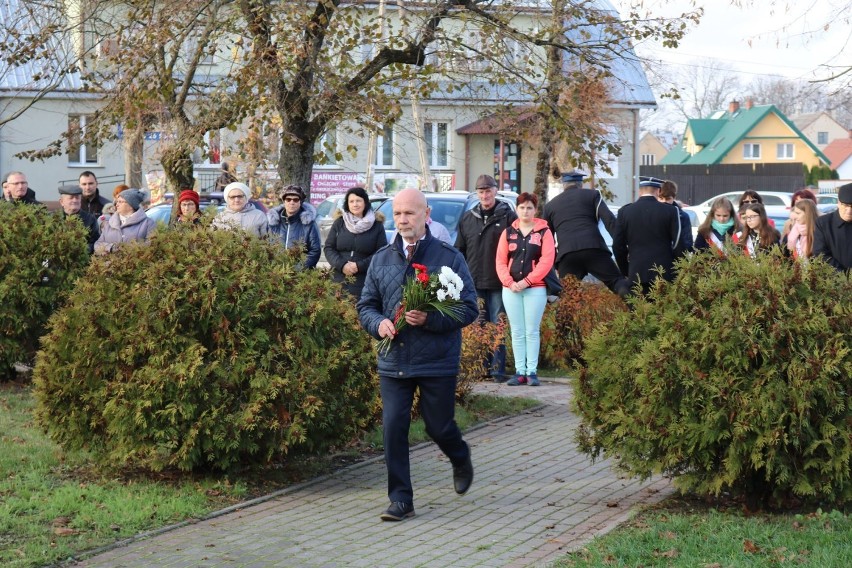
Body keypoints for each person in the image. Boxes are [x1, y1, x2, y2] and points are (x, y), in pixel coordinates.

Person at [357, 188, 479, 522]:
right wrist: (378, 323)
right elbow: (365, 305)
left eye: (409, 213)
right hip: (394, 360)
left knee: (438, 427)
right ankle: (401, 499)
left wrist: (431, 319)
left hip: (437, 359)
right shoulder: (382, 258)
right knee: (393, 428)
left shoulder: (448, 257)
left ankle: (459, 455)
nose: (403, 220)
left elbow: (469, 309)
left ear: (426, 215)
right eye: (397, 213)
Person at [455, 174, 517, 382]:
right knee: (478, 325)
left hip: (500, 281)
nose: (485, 195)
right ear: (477, 193)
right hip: (474, 280)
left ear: (495, 191)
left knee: (497, 324)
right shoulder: (468, 218)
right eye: (481, 192)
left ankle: (498, 370)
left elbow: (517, 250)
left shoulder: (508, 217)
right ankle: (480, 369)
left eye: (488, 191)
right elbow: (460, 250)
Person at [495, 192, 555, 387]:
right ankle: (520, 371)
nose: (525, 211)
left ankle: (532, 372)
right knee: (517, 330)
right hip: (511, 289)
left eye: (529, 207)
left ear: (535, 210)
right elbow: (500, 261)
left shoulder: (544, 232)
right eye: (522, 207)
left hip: (535, 288)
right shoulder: (508, 233)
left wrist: (527, 281)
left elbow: (546, 261)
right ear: (516, 209)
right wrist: (509, 282)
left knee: (531, 330)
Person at [543, 170, 629, 297]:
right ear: (581, 184)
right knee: (617, 281)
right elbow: (609, 221)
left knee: (568, 296)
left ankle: (564, 316)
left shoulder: (550, 206)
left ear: (563, 184)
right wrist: (624, 246)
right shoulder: (593, 195)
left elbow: (547, 238)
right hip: (594, 248)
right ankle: (638, 311)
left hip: (567, 254)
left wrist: (556, 261)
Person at [612, 177, 683, 296]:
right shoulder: (671, 211)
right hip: (664, 273)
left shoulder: (625, 212)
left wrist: (626, 270)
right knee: (663, 312)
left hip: (636, 273)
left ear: (640, 191)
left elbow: (618, 246)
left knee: (640, 312)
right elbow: (678, 244)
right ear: (659, 191)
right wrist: (677, 270)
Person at [324, 186, 388, 297]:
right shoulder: (339, 223)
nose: (355, 204)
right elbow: (329, 248)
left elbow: (381, 253)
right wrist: (342, 265)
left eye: (358, 200)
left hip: (365, 280)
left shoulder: (376, 225)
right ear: (347, 204)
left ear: (365, 202)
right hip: (338, 279)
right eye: (351, 201)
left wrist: (359, 266)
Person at [267, 184, 321, 269]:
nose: (292, 202)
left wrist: (297, 268)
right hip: (276, 274)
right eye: (288, 199)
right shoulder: (273, 223)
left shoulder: (309, 224)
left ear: (300, 202)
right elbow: (267, 247)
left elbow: (315, 250)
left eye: (296, 200)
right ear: (284, 201)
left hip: (301, 275)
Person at [94, 188, 156, 255]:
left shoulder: (148, 223)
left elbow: (151, 245)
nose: (116, 205)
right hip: (110, 264)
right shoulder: (108, 223)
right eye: (117, 201)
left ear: (131, 205)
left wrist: (127, 249)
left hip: (136, 264)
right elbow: (97, 244)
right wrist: (111, 247)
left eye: (120, 202)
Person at [813, 183, 852, 271]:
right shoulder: (824, 223)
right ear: (838, 203)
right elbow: (820, 254)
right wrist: (844, 276)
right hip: (834, 281)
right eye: (845, 205)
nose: (849, 211)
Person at [56, 185, 100, 253]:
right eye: (71, 198)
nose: (75, 200)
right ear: (61, 202)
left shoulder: (90, 219)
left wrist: (81, 250)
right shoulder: (53, 218)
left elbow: (96, 242)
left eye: (77, 198)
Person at [658, 180, 694, 252]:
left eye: (668, 199)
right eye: (661, 198)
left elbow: (688, 243)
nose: (664, 202)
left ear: (674, 198)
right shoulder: (652, 214)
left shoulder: (683, 216)